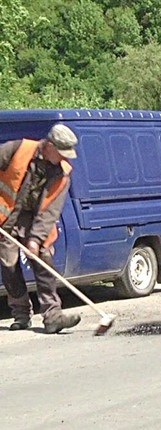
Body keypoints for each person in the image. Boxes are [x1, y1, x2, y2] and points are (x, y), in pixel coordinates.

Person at [1, 123, 81, 333]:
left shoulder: (62, 173)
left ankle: (53, 316)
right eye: (61, 153)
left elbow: (50, 211)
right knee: (9, 266)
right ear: (49, 146)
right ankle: (21, 315)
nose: (65, 158)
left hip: (36, 220)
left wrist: (35, 240)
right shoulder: (17, 148)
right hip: (6, 217)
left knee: (43, 260)